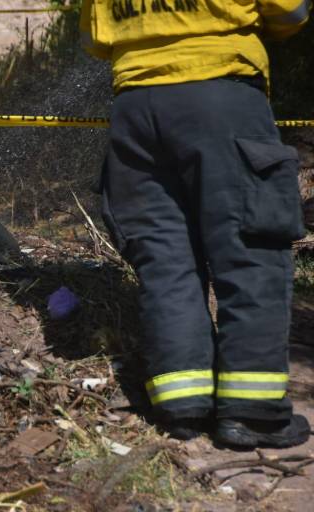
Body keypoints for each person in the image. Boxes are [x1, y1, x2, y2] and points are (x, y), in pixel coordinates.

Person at [80, 0, 312, 447]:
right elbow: (292, 10)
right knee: (251, 250)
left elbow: (96, 38)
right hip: (221, 95)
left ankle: (182, 406)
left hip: (135, 110)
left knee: (164, 259)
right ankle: (254, 414)